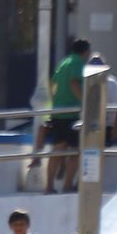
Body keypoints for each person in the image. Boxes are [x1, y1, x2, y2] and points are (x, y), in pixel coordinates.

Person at [45, 38, 90, 194]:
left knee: (57, 150)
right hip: (71, 114)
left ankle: (49, 186)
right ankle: (67, 185)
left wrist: (55, 101)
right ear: (85, 51)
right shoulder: (78, 63)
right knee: (76, 152)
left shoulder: (64, 62)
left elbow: (52, 84)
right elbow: (74, 83)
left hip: (58, 112)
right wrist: (85, 102)